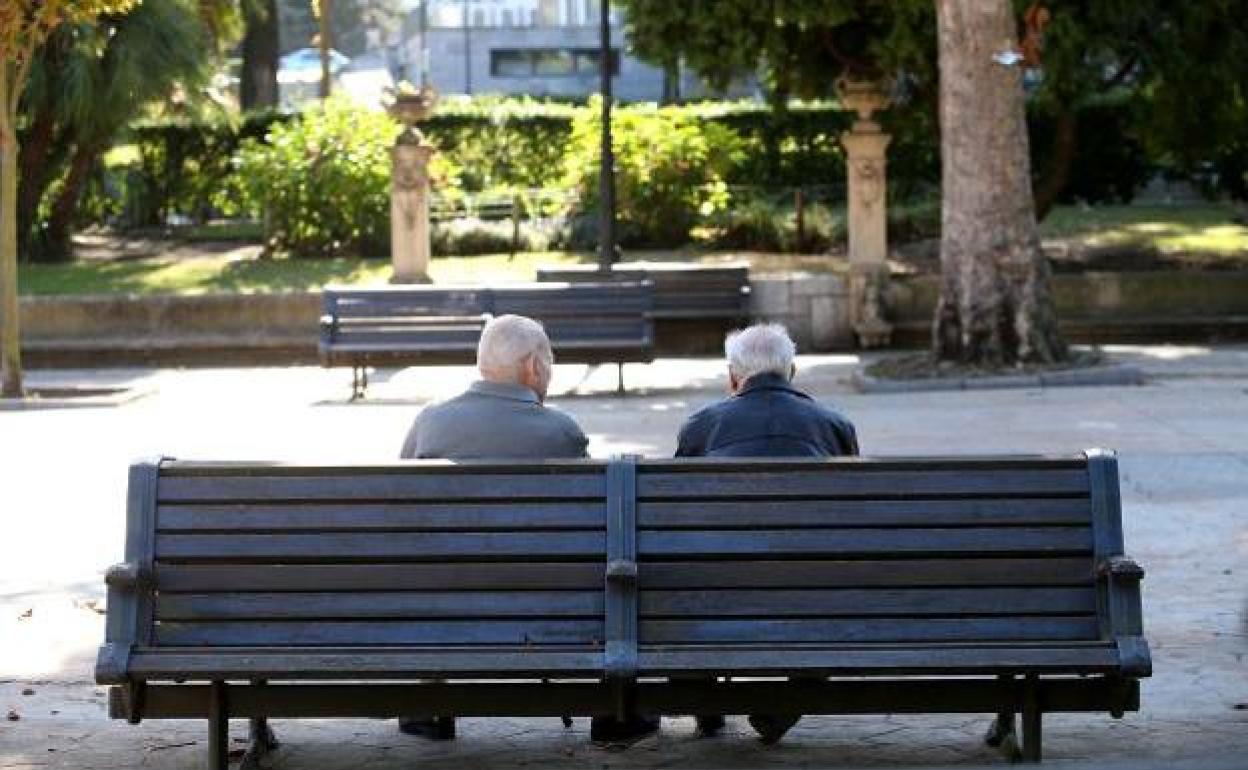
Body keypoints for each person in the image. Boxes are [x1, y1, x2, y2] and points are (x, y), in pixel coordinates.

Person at [396, 314, 658, 744]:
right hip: (548, 607)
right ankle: (616, 708)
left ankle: (427, 705)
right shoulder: (560, 432)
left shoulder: (430, 424)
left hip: (442, 607)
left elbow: (404, 521)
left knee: (431, 564)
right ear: (534, 368)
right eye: (550, 360)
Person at [674, 323, 859, 744]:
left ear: (733, 377)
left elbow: (680, 521)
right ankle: (780, 705)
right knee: (840, 601)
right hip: (814, 595)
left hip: (718, 593)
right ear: (791, 372)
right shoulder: (835, 427)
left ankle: (707, 703)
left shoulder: (700, 428)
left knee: (676, 581)